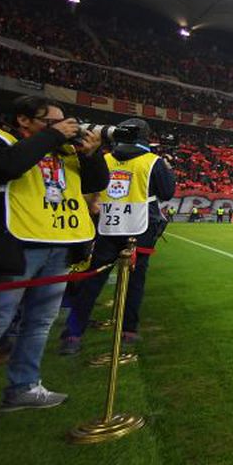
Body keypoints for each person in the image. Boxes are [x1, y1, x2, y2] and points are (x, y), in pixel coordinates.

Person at [0, 96, 108, 442]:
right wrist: (51, 137)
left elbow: (95, 183)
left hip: (58, 244)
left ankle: (24, 387)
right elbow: (5, 167)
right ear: (23, 121)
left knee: (40, 322)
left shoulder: (64, 151)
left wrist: (91, 154)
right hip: (13, 246)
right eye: (53, 122)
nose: (65, 127)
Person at [61, 120, 176, 353]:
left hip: (108, 228)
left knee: (92, 283)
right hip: (140, 230)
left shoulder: (105, 158)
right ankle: (129, 331)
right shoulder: (152, 162)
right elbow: (166, 193)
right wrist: (169, 169)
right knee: (134, 283)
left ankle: (72, 335)